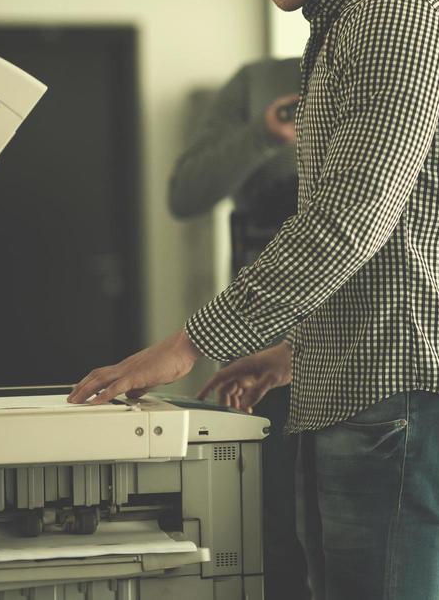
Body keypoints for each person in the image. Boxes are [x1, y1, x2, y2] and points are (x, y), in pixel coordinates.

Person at [69, 0, 439, 600]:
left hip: (401, 399)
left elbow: (347, 223)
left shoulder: (393, 19)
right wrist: (292, 350)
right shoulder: (341, 27)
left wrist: (189, 342)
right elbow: (394, 241)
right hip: (361, 387)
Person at [168, 57, 312, 600]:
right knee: (274, 514)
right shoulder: (260, 83)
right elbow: (184, 195)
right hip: (265, 333)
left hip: (369, 336)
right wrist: (262, 136)